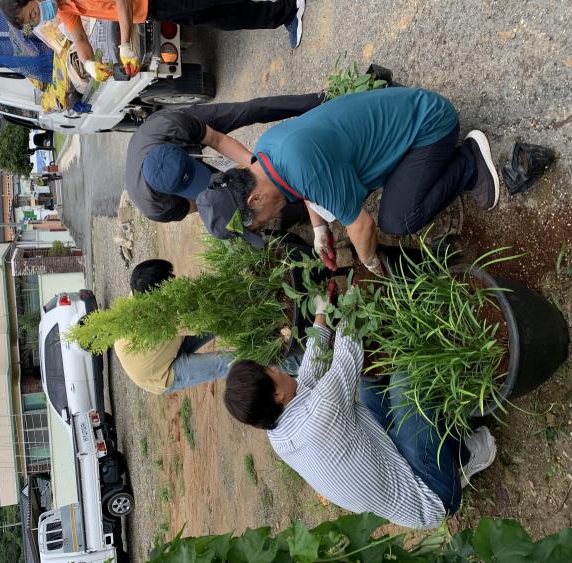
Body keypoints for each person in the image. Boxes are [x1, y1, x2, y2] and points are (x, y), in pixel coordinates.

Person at [222, 284, 497, 529]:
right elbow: (347, 351)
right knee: (405, 380)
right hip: (432, 496)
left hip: (389, 456)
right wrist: (352, 297)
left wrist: (321, 314)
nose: (274, 368)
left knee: (370, 383)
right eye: (269, 371)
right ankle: (462, 459)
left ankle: (443, 455)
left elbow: (310, 372)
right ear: (277, 395)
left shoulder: (278, 433)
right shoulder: (321, 414)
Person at [196, 87, 500, 275]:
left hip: (430, 124)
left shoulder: (304, 167)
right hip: (400, 116)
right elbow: (305, 187)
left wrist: (370, 261)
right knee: (351, 200)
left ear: (255, 200)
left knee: (398, 220)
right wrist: (319, 230)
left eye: (257, 225)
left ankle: (468, 162)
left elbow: (362, 226)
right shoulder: (264, 156)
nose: (265, 224)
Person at [127, 93, 326, 223]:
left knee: (246, 111)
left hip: (170, 134)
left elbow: (217, 140)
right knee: (237, 199)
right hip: (168, 168)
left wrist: (259, 168)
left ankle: (321, 101)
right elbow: (203, 204)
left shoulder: (172, 125)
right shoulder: (159, 208)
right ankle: (310, 204)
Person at [115, 259, 301, 393]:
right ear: (158, 293)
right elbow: (209, 318)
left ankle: (262, 307)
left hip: (158, 348)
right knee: (228, 362)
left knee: (219, 315)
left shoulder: (142, 289)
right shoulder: (163, 317)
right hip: (159, 373)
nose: (175, 279)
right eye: (170, 280)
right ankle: (299, 363)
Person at [0, 0, 307, 81]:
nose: (40, 18)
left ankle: (287, 9)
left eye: (33, 12)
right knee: (221, 16)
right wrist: (89, 64)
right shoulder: (65, 8)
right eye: (34, 21)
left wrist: (125, 44)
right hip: (155, 10)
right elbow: (78, 36)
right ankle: (283, 13)